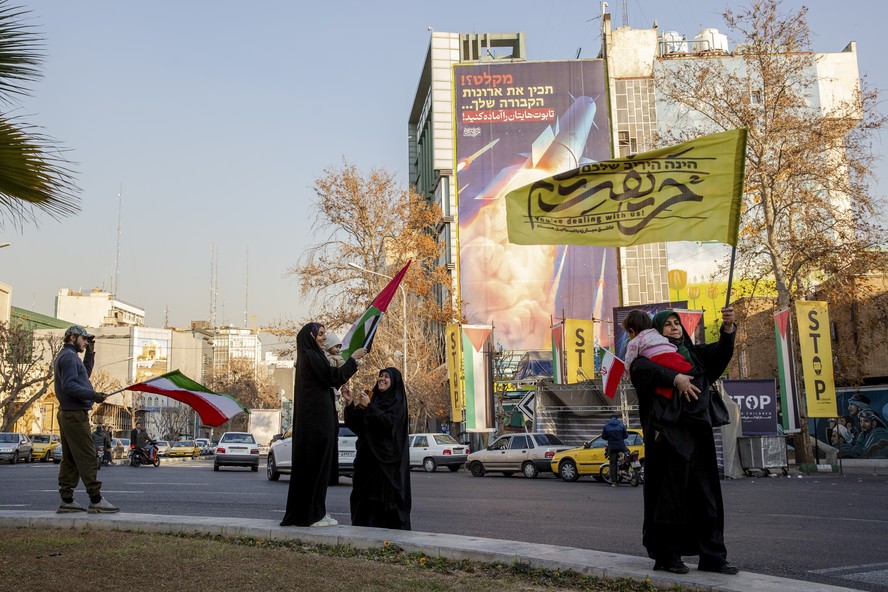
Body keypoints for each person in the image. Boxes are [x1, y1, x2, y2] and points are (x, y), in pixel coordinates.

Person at [626, 307, 738, 575]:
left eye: (677, 323)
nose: (675, 327)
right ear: (657, 330)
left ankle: (712, 556)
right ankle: (667, 556)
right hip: (668, 434)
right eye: (668, 325)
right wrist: (674, 378)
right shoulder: (646, 355)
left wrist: (728, 328)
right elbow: (641, 370)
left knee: (706, 495)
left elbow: (721, 354)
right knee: (670, 496)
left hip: (699, 432)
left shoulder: (694, 354)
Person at [280, 323, 366, 528]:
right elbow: (333, 376)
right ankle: (311, 515)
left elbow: (330, 379)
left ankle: (316, 512)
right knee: (314, 470)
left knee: (319, 471)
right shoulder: (311, 357)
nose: (324, 338)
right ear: (310, 337)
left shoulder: (312, 356)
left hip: (318, 423)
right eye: (320, 334)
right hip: (315, 424)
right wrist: (353, 359)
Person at [53, 325, 118, 514]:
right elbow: (70, 386)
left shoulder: (70, 357)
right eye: (84, 339)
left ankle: (67, 499)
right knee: (88, 456)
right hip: (74, 414)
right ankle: (95, 499)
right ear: (72, 338)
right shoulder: (68, 357)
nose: (86, 342)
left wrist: (90, 353)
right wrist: (93, 395)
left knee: (71, 458)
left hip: (69, 412)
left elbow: (84, 375)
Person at [342, 367, 412, 530]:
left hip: (386, 463)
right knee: (363, 500)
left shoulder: (397, 402)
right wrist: (350, 402)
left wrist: (371, 406)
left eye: (387, 377)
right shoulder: (372, 396)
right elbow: (357, 425)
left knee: (383, 502)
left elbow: (389, 424)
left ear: (393, 382)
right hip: (366, 461)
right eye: (380, 376)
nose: (382, 379)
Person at [622, 310, 692, 400]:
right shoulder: (657, 333)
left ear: (631, 331)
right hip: (677, 358)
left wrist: (627, 372)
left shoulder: (635, 341)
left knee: (663, 389)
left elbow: (630, 360)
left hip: (660, 361)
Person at [325, 333, 345, 486]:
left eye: (339, 346)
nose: (338, 349)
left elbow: (343, 373)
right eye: (336, 346)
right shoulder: (324, 359)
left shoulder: (339, 359)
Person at [601, 415, 629, 487]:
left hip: (612, 447)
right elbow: (626, 436)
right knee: (628, 455)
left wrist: (610, 438)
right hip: (621, 446)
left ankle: (614, 482)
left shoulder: (606, 426)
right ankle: (626, 469)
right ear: (617, 418)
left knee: (613, 464)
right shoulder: (621, 425)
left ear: (610, 419)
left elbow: (603, 437)